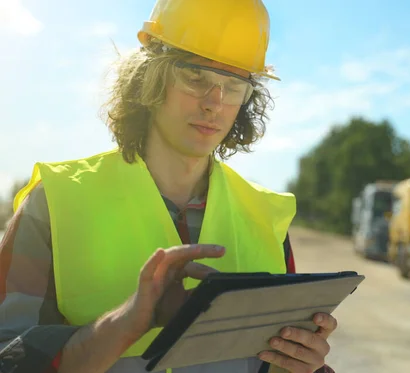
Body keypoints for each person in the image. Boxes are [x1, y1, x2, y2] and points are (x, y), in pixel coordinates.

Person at [0, 0, 339, 372]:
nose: (215, 103)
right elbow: (9, 358)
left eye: (234, 85)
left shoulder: (267, 215)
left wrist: (301, 365)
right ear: (150, 77)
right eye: (195, 77)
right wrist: (126, 323)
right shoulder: (56, 201)